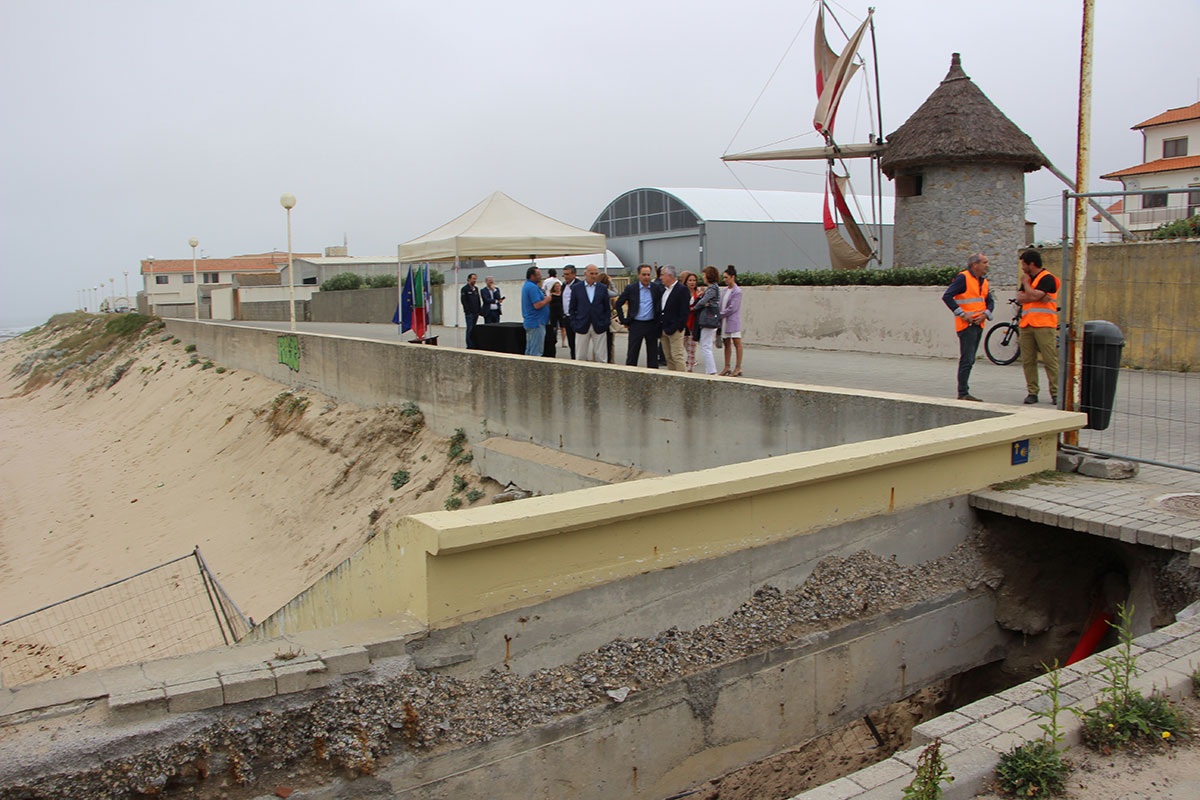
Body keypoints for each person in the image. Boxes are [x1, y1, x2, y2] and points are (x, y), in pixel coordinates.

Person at [941, 253, 994, 401]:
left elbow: (989, 301)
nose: (987, 265)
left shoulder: (983, 282)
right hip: (966, 326)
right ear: (975, 265)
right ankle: (963, 392)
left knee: (970, 359)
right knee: (967, 359)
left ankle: (964, 391)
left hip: (978, 324)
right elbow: (947, 296)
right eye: (985, 262)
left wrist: (986, 314)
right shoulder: (963, 278)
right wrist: (962, 314)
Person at [1015, 249, 1060, 405]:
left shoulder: (1048, 279)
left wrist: (1028, 287)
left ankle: (1056, 392)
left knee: (1050, 360)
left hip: (1045, 325)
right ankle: (1032, 392)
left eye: (1023, 264)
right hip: (1027, 324)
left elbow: (1031, 296)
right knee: (1028, 360)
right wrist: (1035, 295)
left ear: (1031, 264)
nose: (1022, 268)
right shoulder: (1030, 279)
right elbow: (1020, 298)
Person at [614, 264, 664, 368]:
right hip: (636, 324)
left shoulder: (656, 288)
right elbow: (619, 303)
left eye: (648, 274)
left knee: (653, 354)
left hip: (651, 324)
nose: (646, 277)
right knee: (632, 353)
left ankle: (653, 376)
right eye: (644, 274)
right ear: (639, 275)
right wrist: (624, 320)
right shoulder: (631, 288)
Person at [568, 264, 610, 363]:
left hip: (599, 325)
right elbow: (572, 308)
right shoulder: (576, 288)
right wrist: (574, 324)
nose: (594, 276)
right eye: (592, 273)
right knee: (580, 356)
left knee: (601, 356)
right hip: (581, 324)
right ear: (585, 274)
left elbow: (607, 308)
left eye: (596, 273)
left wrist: (606, 322)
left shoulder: (602, 288)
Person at [659, 265, 689, 371]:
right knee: (669, 357)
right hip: (664, 328)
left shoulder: (682, 290)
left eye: (662, 275)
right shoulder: (664, 291)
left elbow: (684, 312)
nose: (660, 277)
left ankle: (682, 381)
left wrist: (676, 327)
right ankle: (672, 378)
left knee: (677, 356)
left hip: (675, 330)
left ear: (670, 275)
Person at [692, 266, 721, 375]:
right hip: (710, 318)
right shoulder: (713, 288)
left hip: (708, 319)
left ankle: (711, 371)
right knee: (706, 345)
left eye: (704, 275)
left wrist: (694, 308)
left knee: (705, 345)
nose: (703, 277)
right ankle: (710, 370)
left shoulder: (712, 288)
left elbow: (703, 301)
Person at [719, 265, 744, 377]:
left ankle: (738, 367)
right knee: (726, 342)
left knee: (737, 342)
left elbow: (733, 308)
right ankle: (727, 366)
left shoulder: (737, 291)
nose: (725, 279)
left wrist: (720, 314)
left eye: (726, 277)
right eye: (724, 277)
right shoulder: (725, 290)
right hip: (724, 321)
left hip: (732, 321)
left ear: (732, 277)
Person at [521, 266, 551, 356]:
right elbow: (537, 305)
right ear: (532, 276)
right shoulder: (532, 287)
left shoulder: (528, 286)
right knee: (536, 352)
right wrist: (547, 299)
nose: (540, 276)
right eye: (538, 275)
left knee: (530, 350)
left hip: (532, 322)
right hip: (536, 322)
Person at [560, 265, 583, 357]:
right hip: (567, 317)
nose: (566, 276)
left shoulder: (579, 285)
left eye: (568, 274)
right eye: (564, 274)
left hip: (577, 317)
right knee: (571, 341)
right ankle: (573, 357)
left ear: (574, 274)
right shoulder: (564, 285)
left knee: (579, 342)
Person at [680, 271, 699, 372]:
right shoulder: (682, 292)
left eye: (694, 280)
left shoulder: (699, 293)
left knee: (692, 348)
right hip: (683, 323)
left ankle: (690, 369)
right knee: (681, 347)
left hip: (693, 323)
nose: (692, 283)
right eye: (690, 280)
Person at [597, 273, 616, 363]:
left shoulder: (596, 289)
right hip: (607, 318)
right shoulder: (605, 290)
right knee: (609, 342)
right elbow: (615, 293)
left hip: (598, 318)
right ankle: (609, 360)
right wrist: (611, 282)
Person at [460, 272, 481, 348]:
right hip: (470, 313)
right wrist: (467, 311)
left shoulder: (476, 289)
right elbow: (464, 301)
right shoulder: (465, 289)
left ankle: (474, 344)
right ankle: (469, 345)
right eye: (473, 279)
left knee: (474, 329)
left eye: (475, 279)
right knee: (470, 329)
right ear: (469, 279)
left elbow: (478, 300)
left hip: (476, 312)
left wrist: (479, 310)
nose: (474, 280)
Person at [545, 281, 562, 358]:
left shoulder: (562, 294)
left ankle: (563, 342)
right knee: (554, 327)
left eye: (558, 286)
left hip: (560, 312)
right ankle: (554, 339)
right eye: (556, 286)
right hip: (553, 313)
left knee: (563, 327)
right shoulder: (551, 295)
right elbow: (548, 304)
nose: (557, 287)